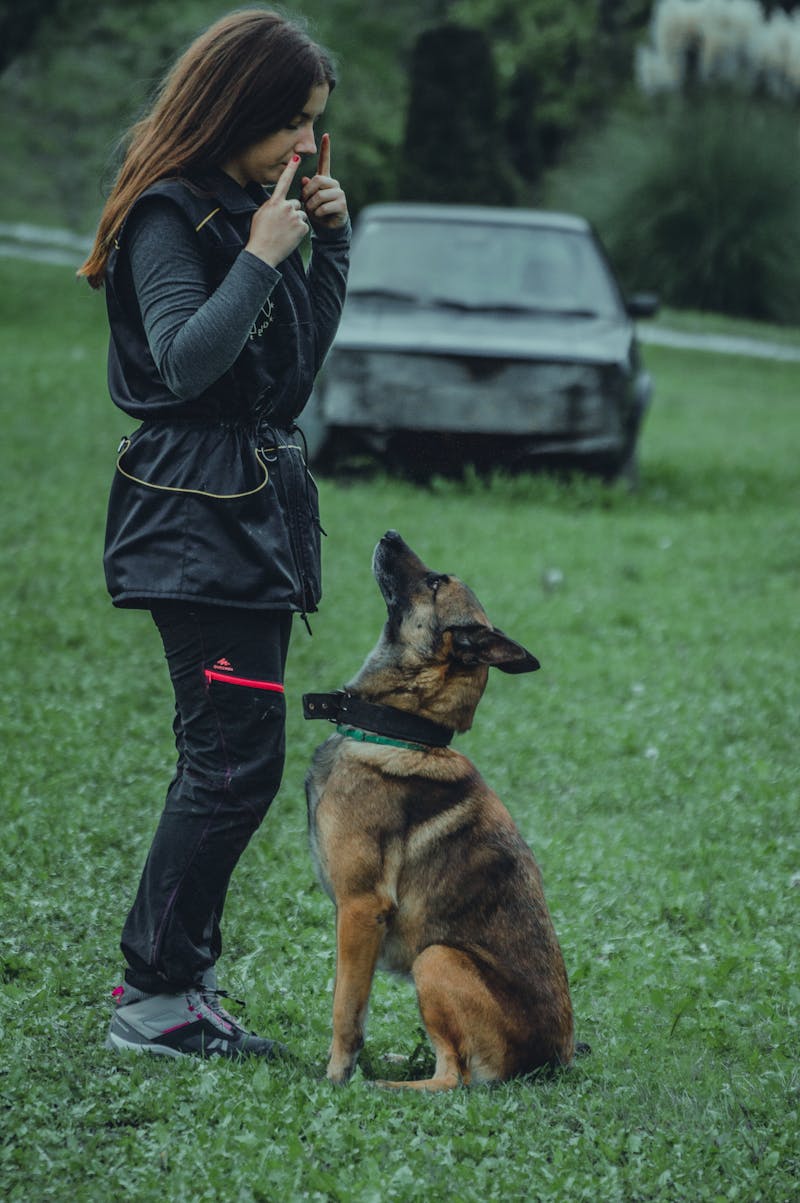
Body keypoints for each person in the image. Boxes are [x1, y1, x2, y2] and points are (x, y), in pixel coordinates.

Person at [79, 8, 350, 1060]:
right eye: (289, 122)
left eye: (313, 127)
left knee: (237, 758)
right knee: (229, 764)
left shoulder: (254, 206)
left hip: (250, 517)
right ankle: (155, 1000)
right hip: (193, 519)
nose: (301, 146)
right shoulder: (167, 215)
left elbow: (291, 371)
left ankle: (174, 986)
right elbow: (184, 364)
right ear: (232, 105)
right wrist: (259, 257)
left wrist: (322, 244)